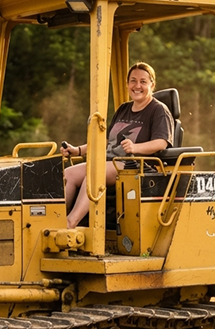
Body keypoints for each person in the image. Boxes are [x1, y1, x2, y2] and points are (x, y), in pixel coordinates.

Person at [60, 62, 174, 229]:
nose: (137, 86)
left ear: (152, 84)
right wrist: (77, 150)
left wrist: (136, 148)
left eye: (143, 81)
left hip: (138, 166)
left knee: (94, 174)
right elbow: (105, 141)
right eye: (133, 81)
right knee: (68, 174)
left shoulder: (158, 110)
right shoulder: (123, 109)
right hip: (110, 162)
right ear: (127, 84)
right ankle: (56, 220)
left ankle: (70, 223)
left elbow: (161, 142)